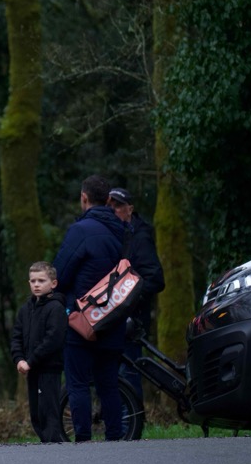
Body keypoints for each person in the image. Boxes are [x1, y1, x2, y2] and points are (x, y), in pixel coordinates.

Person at [54, 175, 127, 441]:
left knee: (78, 383)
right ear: (108, 200)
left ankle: (84, 440)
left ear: (84, 198)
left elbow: (60, 275)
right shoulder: (124, 230)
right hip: (114, 318)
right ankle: (115, 437)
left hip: (82, 320)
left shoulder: (80, 231)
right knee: (109, 384)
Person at [107, 187, 166, 402]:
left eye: (118, 205)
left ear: (130, 209)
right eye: (110, 206)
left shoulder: (139, 238)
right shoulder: (115, 236)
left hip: (132, 321)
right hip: (114, 320)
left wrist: (128, 299)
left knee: (128, 375)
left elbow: (155, 279)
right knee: (117, 375)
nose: (114, 210)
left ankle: (132, 421)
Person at [10, 261, 67, 443]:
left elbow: (53, 340)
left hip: (49, 368)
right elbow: (16, 336)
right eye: (33, 281)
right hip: (31, 368)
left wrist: (31, 360)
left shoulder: (56, 308)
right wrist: (19, 359)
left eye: (41, 281)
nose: (36, 285)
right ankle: (45, 445)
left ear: (53, 283)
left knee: (48, 411)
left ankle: (53, 446)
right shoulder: (25, 309)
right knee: (36, 414)